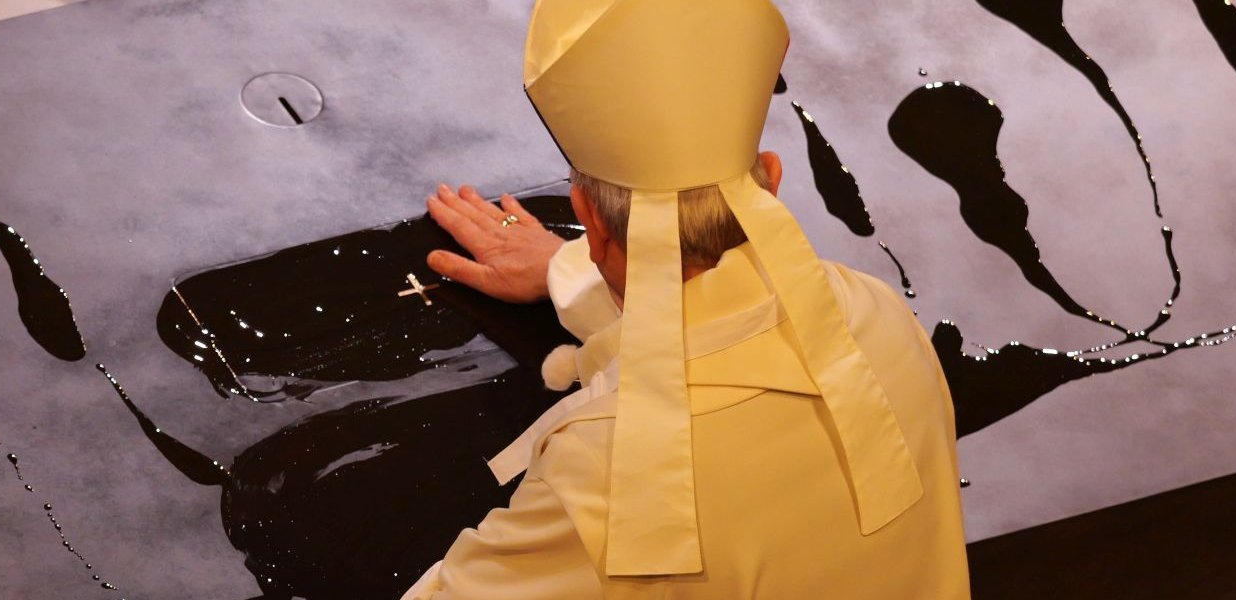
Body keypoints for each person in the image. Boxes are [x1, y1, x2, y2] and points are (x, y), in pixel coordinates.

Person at [400, 0, 971, 598]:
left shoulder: (613, 475)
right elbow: (726, 331)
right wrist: (566, 270)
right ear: (771, 181)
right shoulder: (875, 308)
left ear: (590, 222)